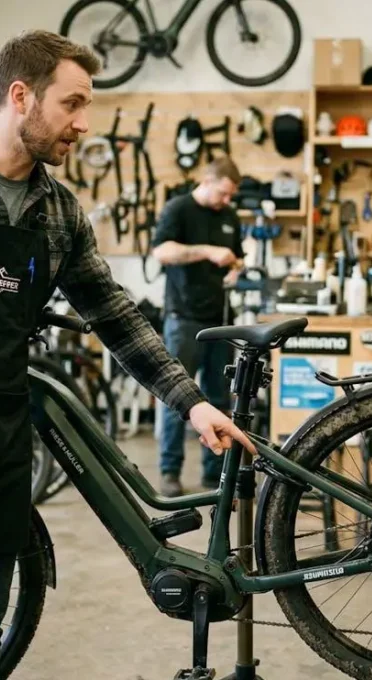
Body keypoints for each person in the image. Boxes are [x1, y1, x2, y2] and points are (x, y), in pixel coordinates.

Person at [0, 29, 253, 680]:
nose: (83, 124)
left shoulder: (58, 212)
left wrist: (193, 403)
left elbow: (116, 316)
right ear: (20, 96)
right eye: (72, 104)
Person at [150, 157, 244, 496]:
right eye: (223, 193)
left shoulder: (230, 216)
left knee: (218, 398)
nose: (226, 201)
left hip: (219, 321)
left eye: (231, 195)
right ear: (206, 181)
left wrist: (236, 269)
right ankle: (170, 471)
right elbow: (162, 252)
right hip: (183, 319)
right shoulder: (178, 209)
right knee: (177, 396)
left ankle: (214, 473)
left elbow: (237, 258)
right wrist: (207, 251)